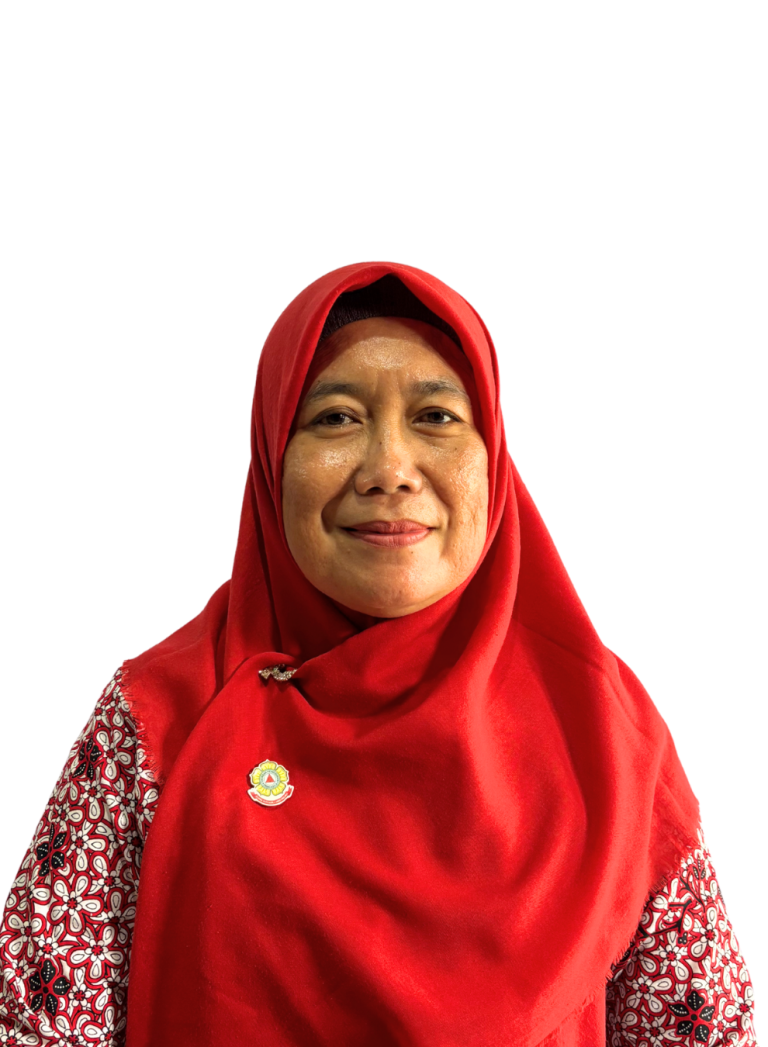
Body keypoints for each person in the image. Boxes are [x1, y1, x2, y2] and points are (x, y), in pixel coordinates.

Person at [0, 263, 757, 1046]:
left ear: (493, 455)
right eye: (335, 418)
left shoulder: (607, 736)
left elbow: (703, 1024)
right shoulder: (158, 718)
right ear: (272, 454)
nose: (390, 469)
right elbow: (34, 1018)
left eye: (436, 416)